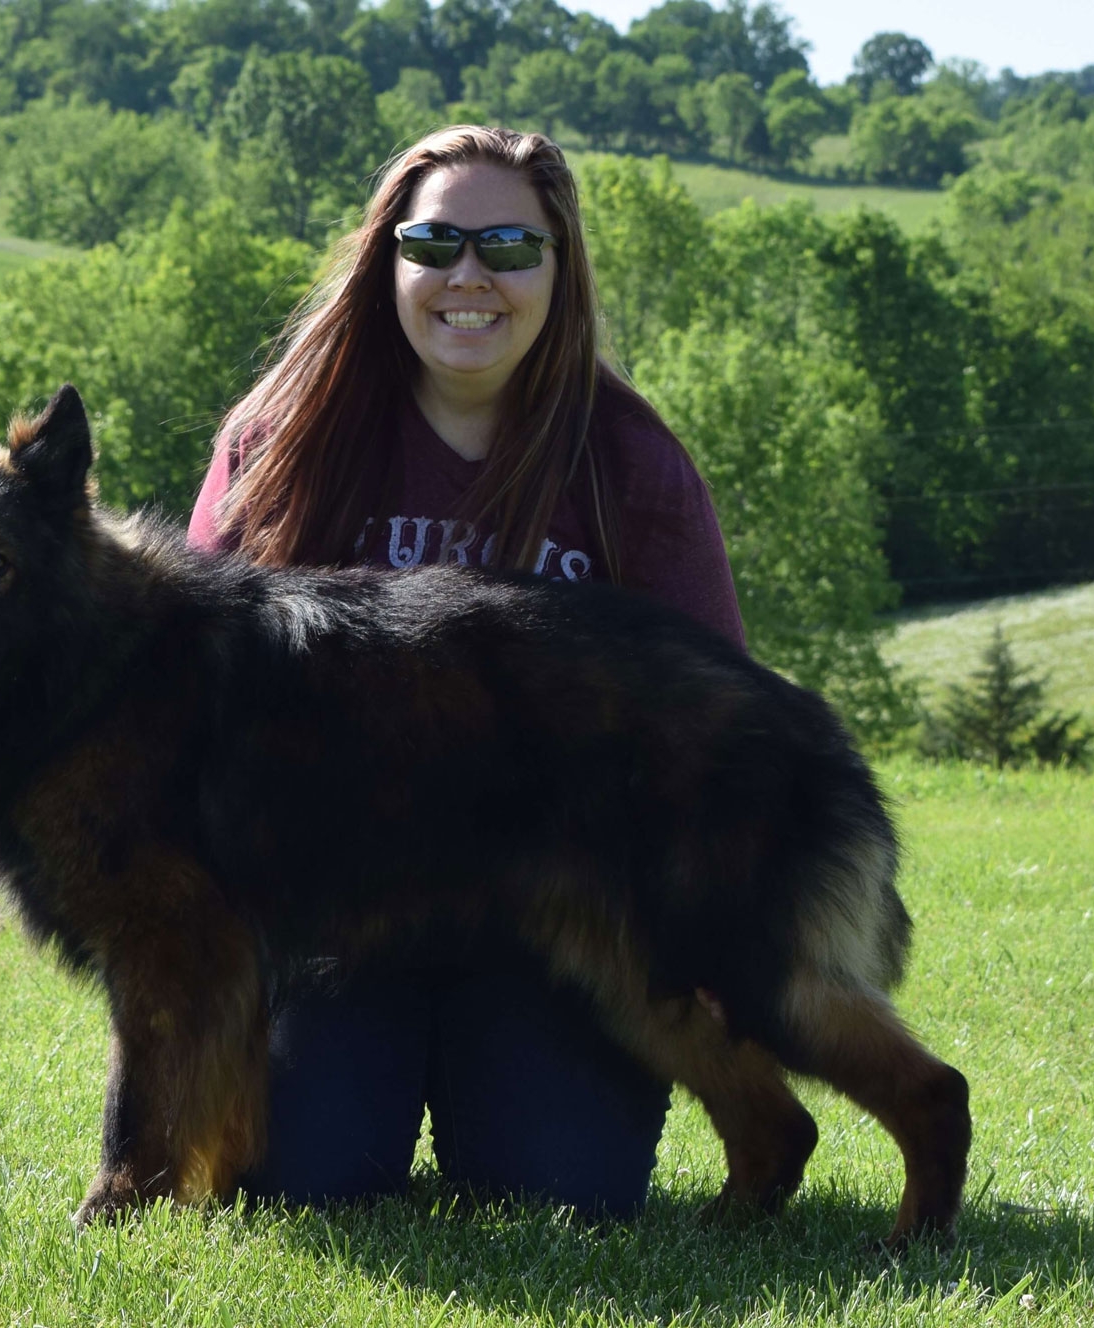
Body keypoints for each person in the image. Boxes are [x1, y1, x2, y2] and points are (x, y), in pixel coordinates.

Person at [186, 125, 745, 1216]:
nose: (468, 276)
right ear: (386, 259)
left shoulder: (631, 463)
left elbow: (716, 733)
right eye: (434, 242)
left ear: (559, 267)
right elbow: (191, 702)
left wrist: (707, 939)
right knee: (301, 1179)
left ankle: (500, 1075)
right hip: (331, 922)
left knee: (555, 1187)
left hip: (557, 929)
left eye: (508, 245)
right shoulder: (279, 440)